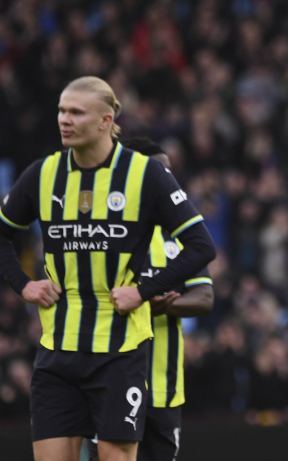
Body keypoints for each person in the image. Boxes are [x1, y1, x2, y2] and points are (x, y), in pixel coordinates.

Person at [0, 76, 216, 461]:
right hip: (57, 351)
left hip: (119, 353)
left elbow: (201, 245)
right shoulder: (43, 173)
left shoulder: (145, 174)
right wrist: (22, 284)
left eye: (76, 112)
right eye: (61, 110)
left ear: (107, 120)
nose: (64, 120)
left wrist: (142, 292)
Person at [87, 137, 214, 461]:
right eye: (160, 170)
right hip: (111, 385)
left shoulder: (180, 236)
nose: (168, 178)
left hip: (164, 391)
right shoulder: (105, 230)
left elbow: (204, 296)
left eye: (170, 171)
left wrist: (167, 303)